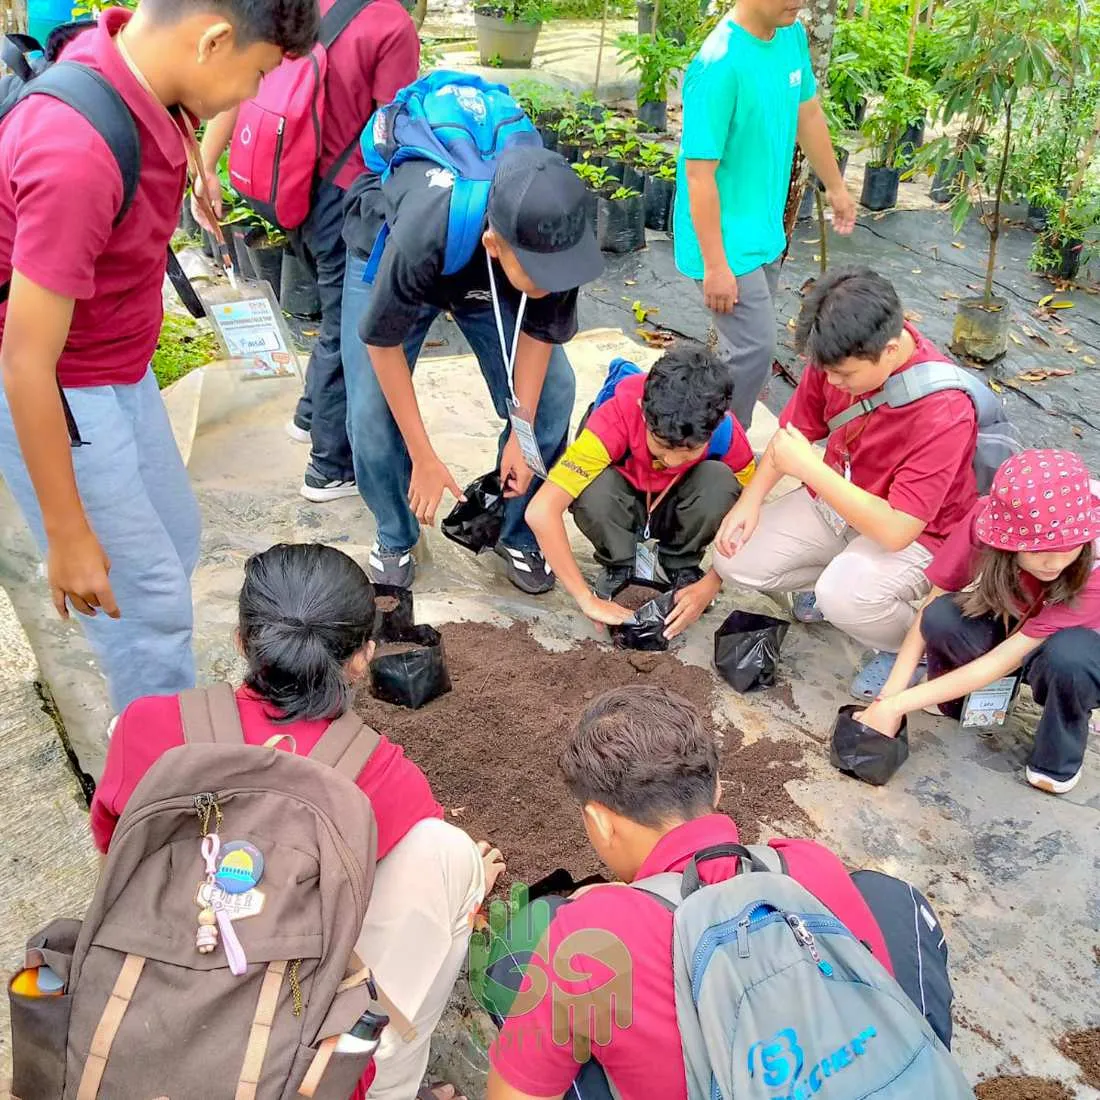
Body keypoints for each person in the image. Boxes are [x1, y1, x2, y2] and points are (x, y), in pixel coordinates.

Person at [90, 542, 504, 1100]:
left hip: (145, 1000)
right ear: (362, 659)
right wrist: (470, 880)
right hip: (279, 1043)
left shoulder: (146, 724)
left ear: (241, 640)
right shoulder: (382, 773)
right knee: (447, 854)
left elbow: (113, 846)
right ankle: (382, 1083)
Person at [0, 0, 317, 718]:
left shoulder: (145, 76)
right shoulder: (74, 151)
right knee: (142, 601)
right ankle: (158, 761)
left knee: (174, 539)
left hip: (117, 363)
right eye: (259, 72)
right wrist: (67, 532)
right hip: (63, 385)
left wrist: (196, 169)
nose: (252, 95)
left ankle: (152, 709)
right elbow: (24, 362)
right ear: (214, 40)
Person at [486, 686, 954, 1100]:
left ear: (600, 821)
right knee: (884, 895)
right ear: (717, 791)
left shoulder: (592, 936)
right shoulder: (806, 863)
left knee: (521, 949)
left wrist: (597, 916)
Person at [341, 144, 603, 594]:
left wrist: (522, 436)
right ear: (494, 245)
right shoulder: (421, 234)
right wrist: (424, 457)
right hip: (391, 255)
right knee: (371, 414)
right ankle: (395, 532)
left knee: (555, 391)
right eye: (540, 275)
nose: (552, 284)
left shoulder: (556, 241)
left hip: (491, 274)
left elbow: (540, 331)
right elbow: (381, 346)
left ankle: (517, 531)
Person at [712, 267, 979, 701]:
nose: (833, 382)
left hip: (919, 532)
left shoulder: (944, 411)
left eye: (845, 375)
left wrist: (811, 469)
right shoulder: (836, 355)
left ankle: (909, 650)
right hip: (840, 497)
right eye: (827, 371)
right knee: (734, 557)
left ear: (889, 350)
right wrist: (751, 501)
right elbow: (791, 436)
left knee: (846, 595)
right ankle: (829, 584)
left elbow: (898, 530)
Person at [195, 0, 420, 504]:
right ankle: (329, 466)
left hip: (285, 182)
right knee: (349, 323)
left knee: (330, 304)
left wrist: (205, 166)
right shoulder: (390, 23)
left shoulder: (297, 5)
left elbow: (239, 84)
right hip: (345, 194)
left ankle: (308, 414)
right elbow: (392, 132)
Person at [858, 450, 1100, 796]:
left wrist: (898, 706)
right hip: (1020, 620)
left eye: (1069, 547)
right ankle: (964, 699)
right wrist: (889, 695)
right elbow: (932, 602)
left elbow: (1007, 657)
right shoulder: (988, 518)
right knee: (942, 617)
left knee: (1069, 659)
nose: (1054, 563)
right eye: (1037, 550)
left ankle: (1057, 758)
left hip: (1081, 646)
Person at [675, 0, 856, 430]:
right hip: (725, 239)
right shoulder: (718, 65)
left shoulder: (790, 35)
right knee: (753, 349)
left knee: (744, 350)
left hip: (765, 230)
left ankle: (704, 434)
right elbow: (699, 175)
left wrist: (836, 186)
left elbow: (807, 113)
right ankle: (719, 445)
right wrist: (715, 265)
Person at [526, 344, 755, 637]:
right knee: (592, 488)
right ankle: (621, 565)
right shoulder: (614, 419)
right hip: (621, 505)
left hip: (678, 507)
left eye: (689, 451)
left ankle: (680, 567)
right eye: (662, 445)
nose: (672, 460)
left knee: (720, 482)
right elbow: (541, 511)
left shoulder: (725, 434)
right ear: (644, 415)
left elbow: (751, 515)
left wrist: (711, 582)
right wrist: (585, 598)